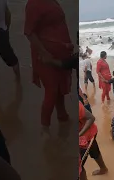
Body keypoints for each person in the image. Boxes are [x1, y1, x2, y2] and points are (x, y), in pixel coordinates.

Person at [24, 0, 74, 136]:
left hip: (59, 55)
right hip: (45, 57)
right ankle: (44, 128)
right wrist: (44, 53)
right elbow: (29, 32)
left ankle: (62, 117)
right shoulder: (34, 4)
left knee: (59, 88)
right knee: (51, 90)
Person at [79, 101, 108, 179]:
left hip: (86, 135)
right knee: (94, 150)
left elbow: (91, 118)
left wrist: (78, 135)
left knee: (78, 166)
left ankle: (103, 169)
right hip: (84, 135)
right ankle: (103, 169)